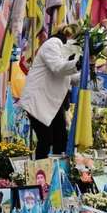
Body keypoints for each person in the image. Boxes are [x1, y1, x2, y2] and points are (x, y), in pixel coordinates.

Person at [20, 24, 81, 159]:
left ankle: (58, 173)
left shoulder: (64, 49)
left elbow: (70, 78)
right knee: (46, 140)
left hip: (51, 103)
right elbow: (57, 67)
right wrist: (78, 64)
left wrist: (88, 70)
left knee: (61, 139)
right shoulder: (52, 44)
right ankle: (40, 175)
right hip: (38, 100)